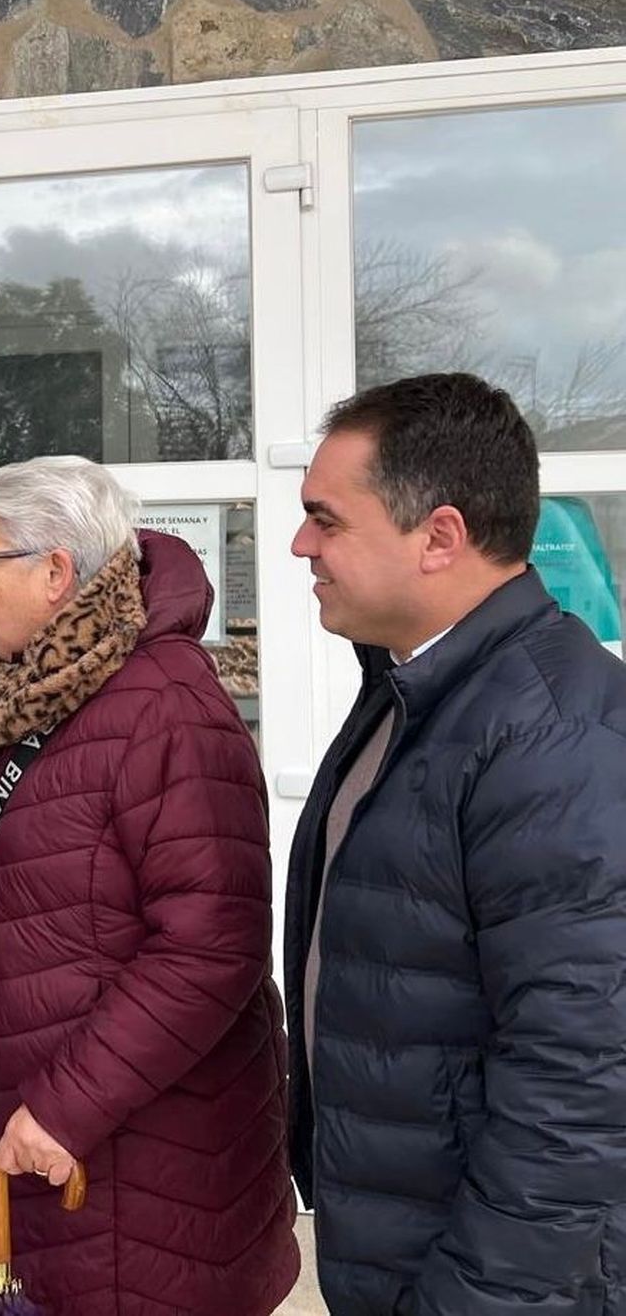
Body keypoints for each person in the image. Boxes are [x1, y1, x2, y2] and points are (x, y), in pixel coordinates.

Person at [285, 373, 626, 1316]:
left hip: (496, 1280)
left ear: (439, 536)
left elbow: (582, 1091)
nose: (299, 544)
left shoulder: (554, 737)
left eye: (327, 519)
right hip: (404, 1238)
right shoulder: (416, 692)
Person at [0, 455, 299, 1316]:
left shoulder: (167, 707)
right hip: (46, 1158)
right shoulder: (20, 694)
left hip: (137, 1170)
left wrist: (63, 1109)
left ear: (55, 572)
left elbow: (213, 946)